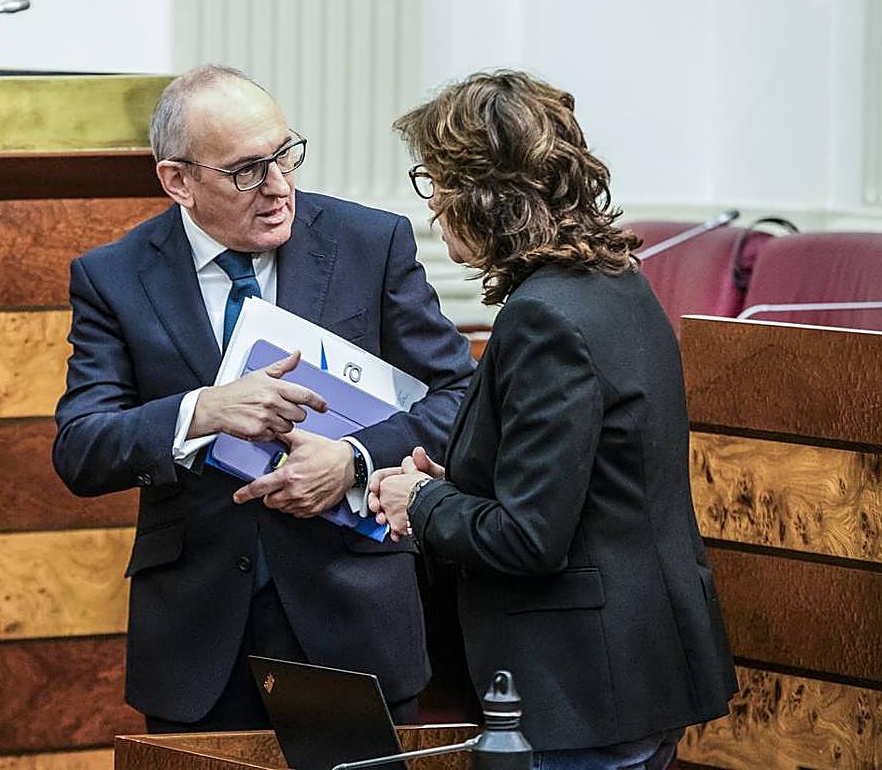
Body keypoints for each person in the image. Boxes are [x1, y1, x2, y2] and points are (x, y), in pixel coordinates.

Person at [52, 65, 474, 732]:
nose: (279, 186)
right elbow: (81, 447)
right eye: (248, 170)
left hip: (355, 616)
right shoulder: (113, 277)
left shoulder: (371, 244)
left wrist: (354, 460)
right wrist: (202, 412)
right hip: (198, 642)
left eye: (285, 154)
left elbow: (461, 394)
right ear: (178, 181)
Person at [371, 70, 737, 769]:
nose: (433, 207)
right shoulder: (614, 284)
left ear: (482, 195)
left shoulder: (543, 317)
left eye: (435, 181)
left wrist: (421, 500)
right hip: (635, 671)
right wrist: (459, 480)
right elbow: (591, 481)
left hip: (580, 688)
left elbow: (530, 539)